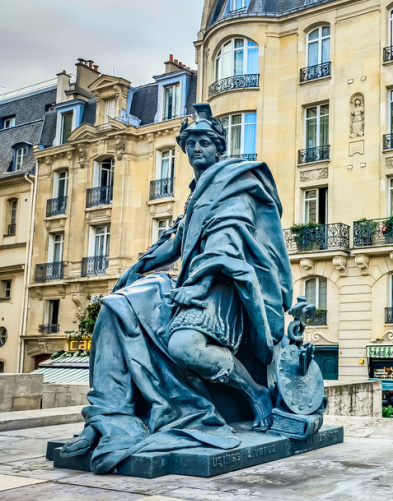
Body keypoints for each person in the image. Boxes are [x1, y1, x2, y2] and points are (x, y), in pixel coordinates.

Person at [60, 104, 293, 474]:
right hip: (192, 280)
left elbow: (229, 241)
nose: (196, 149)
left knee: (186, 347)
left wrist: (198, 287)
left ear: (219, 147)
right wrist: (139, 266)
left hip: (224, 285)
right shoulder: (198, 192)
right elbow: (178, 239)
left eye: (204, 142)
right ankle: (109, 415)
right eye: (191, 144)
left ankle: (257, 393)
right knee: (116, 308)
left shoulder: (236, 181)